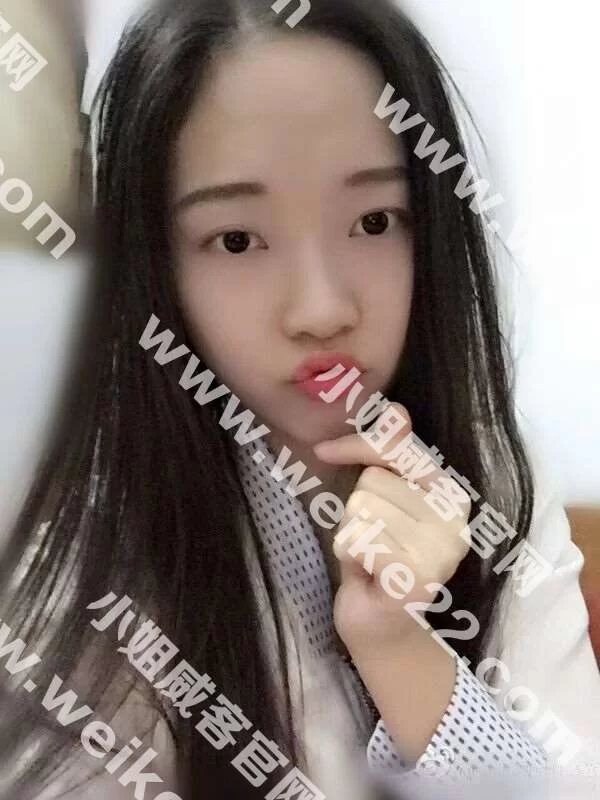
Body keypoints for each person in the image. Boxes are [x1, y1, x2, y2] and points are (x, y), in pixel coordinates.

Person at [0, 0, 598, 798]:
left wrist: (400, 648)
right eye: (237, 239)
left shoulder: (497, 477)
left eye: (375, 221)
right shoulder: (85, 545)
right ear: (154, 267)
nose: (321, 309)